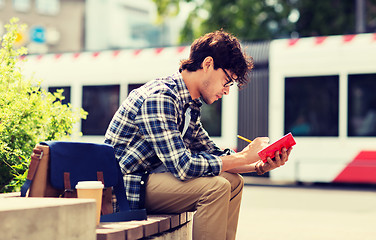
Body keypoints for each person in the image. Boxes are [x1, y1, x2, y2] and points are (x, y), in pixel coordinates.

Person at [104, 30, 292, 240]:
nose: (227, 91)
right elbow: (183, 166)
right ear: (208, 64)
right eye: (227, 80)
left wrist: (259, 164)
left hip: (149, 180)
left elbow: (213, 153)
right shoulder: (160, 97)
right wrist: (244, 157)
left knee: (233, 181)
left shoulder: (189, 106)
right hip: (126, 186)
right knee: (216, 188)